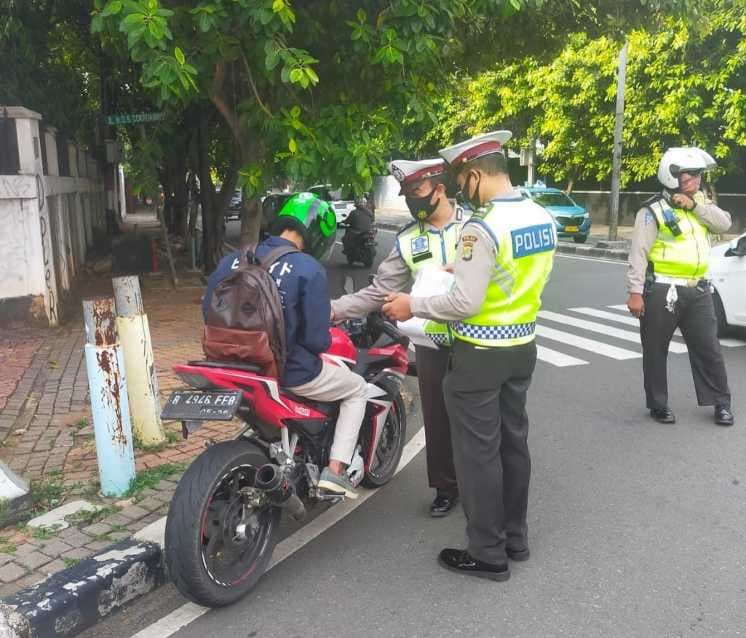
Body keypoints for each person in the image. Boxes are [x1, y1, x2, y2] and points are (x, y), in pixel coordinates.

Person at [383, 131, 557, 581]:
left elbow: (464, 303)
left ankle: (487, 553)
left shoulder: (480, 227)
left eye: (463, 180)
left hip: (479, 353)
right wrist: (464, 268)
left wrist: (412, 305)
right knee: (513, 444)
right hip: (522, 346)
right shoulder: (541, 217)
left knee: (478, 456)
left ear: (476, 174)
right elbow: (512, 277)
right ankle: (515, 539)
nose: (462, 190)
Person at [203, 192, 368, 498]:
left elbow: (207, 310)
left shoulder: (233, 260)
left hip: (229, 363)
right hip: (288, 372)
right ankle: (335, 471)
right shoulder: (307, 269)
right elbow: (316, 340)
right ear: (319, 233)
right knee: (357, 388)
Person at [332, 158, 467, 517]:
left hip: (477, 341)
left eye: (417, 192)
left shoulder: (475, 228)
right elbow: (379, 292)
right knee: (437, 419)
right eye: (406, 194)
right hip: (432, 343)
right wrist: (333, 310)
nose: (412, 201)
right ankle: (446, 487)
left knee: (479, 419)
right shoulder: (408, 239)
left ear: (440, 190)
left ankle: (482, 485)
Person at [626, 147, 734, 427]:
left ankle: (721, 403)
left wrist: (696, 206)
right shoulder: (652, 210)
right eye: (689, 175)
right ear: (671, 176)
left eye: (698, 175)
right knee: (655, 349)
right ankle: (658, 404)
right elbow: (639, 252)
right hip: (663, 289)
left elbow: (725, 222)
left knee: (709, 348)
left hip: (698, 290)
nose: (695, 181)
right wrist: (635, 292)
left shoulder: (701, 204)